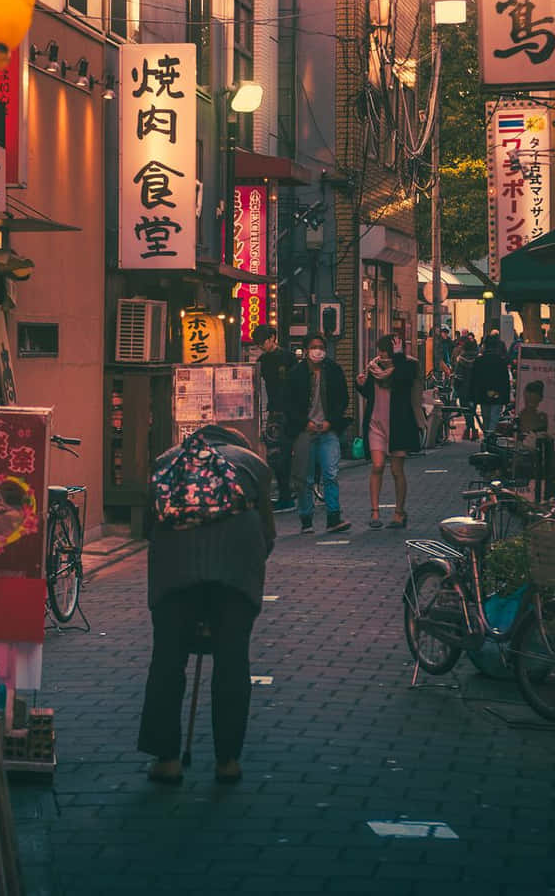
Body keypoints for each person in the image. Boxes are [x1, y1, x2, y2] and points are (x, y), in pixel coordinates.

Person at [139, 425, 277, 786]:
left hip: (174, 568)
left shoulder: (166, 463)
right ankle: (227, 761)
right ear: (237, 444)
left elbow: (146, 527)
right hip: (235, 569)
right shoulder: (253, 465)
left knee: (168, 658)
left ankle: (167, 760)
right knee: (232, 659)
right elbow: (268, 533)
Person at [285, 333, 351, 534]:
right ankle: (306, 518)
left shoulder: (333, 370)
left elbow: (343, 399)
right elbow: (289, 404)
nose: (318, 350)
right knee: (304, 477)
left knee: (331, 473)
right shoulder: (296, 373)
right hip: (305, 430)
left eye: (321, 346)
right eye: (313, 347)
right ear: (305, 350)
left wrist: (331, 421)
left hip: (328, 429)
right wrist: (305, 423)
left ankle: (334, 517)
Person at [356, 335, 421, 529]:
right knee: (377, 466)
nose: (382, 355)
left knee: (396, 470)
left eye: (387, 351)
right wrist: (361, 385)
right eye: (381, 350)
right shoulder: (374, 367)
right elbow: (369, 393)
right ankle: (375, 512)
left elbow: (403, 379)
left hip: (398, 425)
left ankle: (399, 512)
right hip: (376, 423)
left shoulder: (407, 365)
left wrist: (400, 357)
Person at [251, 324, 300, 511]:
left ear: (272, 338)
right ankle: (285, 493)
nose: (261, 346)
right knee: (276, 455)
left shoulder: (288, 358)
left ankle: (287, 495)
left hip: (289, 411)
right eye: (258, 344)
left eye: (263, 342)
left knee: (284, 453)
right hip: (274, 412)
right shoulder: (262, 361)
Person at [471, 333, 513, 438]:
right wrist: (506, 398)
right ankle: (490, 438)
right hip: (497, 393)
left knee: (486, 416)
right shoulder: (501, 361)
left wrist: (472, 396)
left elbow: (474, 379)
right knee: (494, 417)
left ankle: (486, 438)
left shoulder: (479, 361)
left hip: (483, 392)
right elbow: (505, 380)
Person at [453, 336, 480, 439]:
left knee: (466, 409)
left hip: (463, 388)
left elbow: (458, 376)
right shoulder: (478, 360)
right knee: (472, 409)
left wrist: (456, 387)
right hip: (475, 389)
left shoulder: (461, 360)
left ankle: (469, 428)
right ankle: (472, 430)